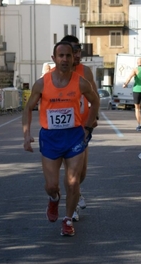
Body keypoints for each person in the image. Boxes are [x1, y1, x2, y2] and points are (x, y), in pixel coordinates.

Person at [22, 41, 100, 236]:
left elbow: (95, 100)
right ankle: (54, 199)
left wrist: (89, 126)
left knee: (73, 182)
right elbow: (28, 108)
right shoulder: (42, 83)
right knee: (51, 186)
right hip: (50, 138)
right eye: (61, 56)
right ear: (54, 59)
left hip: (74, 136)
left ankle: (67, 219)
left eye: (68, 56)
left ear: (73, 58)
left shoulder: (80, 82)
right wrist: (26, 134)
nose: (65, 59)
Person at [60, 35, 98, 222]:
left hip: (82, 129)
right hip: (64, 130)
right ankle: (71, 208)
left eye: (79, 50)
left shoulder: (86, 72)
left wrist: (93, 119)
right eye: (74, 50)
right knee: (71, 174)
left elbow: (94, 96)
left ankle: (76, 192)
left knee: (81, 173)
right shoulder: (56, 72)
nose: (78, 54)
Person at [123, 58, 141, 131]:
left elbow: (129, 77)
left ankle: (139, 125)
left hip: (136, 90)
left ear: (137, 63)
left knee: (137, 108)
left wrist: (125, 84)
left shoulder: (135, 70)